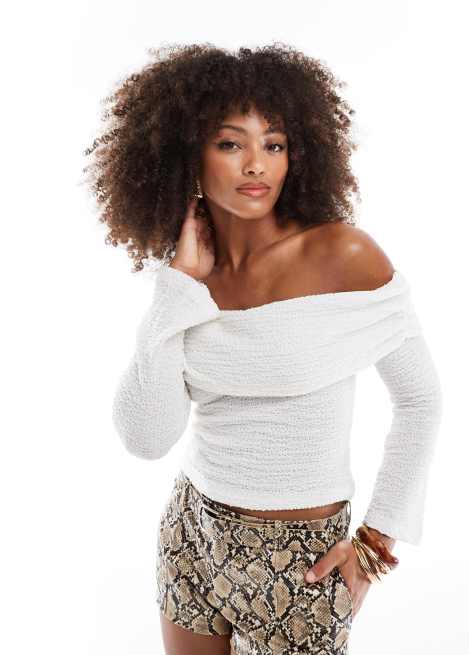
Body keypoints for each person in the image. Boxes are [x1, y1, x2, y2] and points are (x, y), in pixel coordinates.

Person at [84, 43, 443, 655]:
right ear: (187, 156)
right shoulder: (188, 279)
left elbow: (420, 400)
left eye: (273, 144)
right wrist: (177, 287)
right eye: (231, 144)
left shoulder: (342, 256)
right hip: (192, 532)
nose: (256, 164)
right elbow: (146, 437)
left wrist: (375, 543)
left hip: (301, 561)